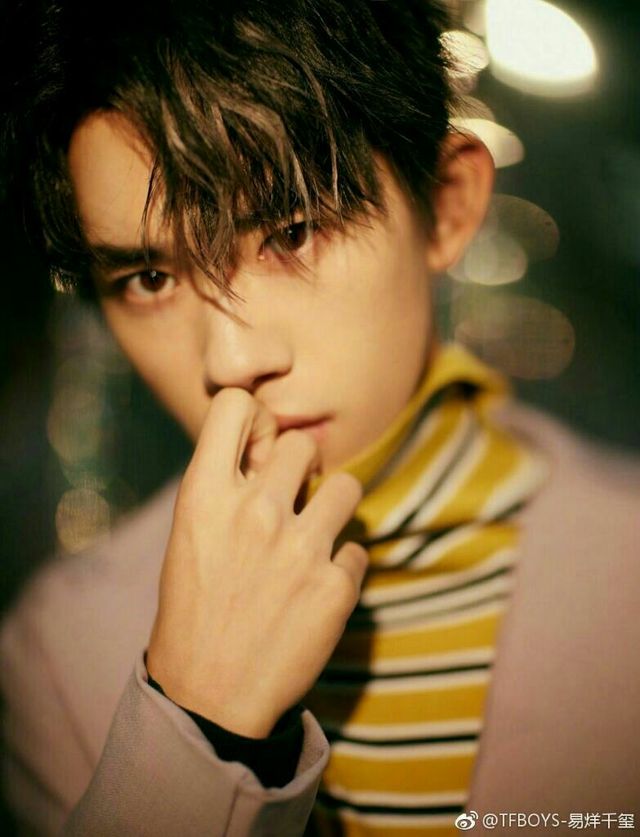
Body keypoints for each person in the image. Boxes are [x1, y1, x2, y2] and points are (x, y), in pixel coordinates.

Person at [1, 0, 639, 834]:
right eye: (150, 279)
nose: (232, 359)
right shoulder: (58, 651)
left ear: (446, 205)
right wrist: (196, 720)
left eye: (292, 233)